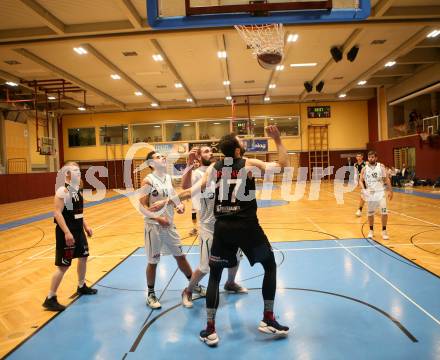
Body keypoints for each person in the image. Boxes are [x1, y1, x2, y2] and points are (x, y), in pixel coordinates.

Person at [163, 126, 290, 346]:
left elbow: (190, 191)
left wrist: (166, 201)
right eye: (241, 141)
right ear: (239, 150)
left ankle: (210, 329)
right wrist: (277, 140)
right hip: (247, 228)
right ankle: (268, 318)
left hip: (222, 229)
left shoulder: (214, 167)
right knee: (269, 266)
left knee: (214, 276)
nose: (243, 143)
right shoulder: (248, 164)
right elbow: (282, 166)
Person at [180, 145, 247, 308]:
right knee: (205, 267)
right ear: (199, 156)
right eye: (205, 151)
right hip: (209, 226)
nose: (210, 153)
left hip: (229, 222)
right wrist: (189, 164)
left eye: (211, 151)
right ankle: (188, 291)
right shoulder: (197, 173)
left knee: (236, 257)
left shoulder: (220, 169)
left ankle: (230, 283)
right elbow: (184, 187)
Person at [139, 151, 199, 309]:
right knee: (153, 261)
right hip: (154, 227)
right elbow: (142, 206)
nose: (162, 158)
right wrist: (158, 218)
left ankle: (194, 285)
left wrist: (180, 205)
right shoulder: (148, 180)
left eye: (162, 156)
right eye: (158, 157)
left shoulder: (167, 178)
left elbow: (175, 197)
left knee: (181, 256)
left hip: (170, 226)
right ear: (151, 164)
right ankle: (151, 294)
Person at [43, 162, 97, 312]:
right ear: (66, 174)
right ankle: (50, 298)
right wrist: (67, 232)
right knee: (63, 266)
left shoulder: (76, 189)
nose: (78, 172)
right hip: (67, 233)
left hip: (78, 231)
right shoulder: (63, 190)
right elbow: (57, 213)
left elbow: (78, 213)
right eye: (73, 170)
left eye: (78, 170)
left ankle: (81, 286)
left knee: (84, 257)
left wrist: (86, 226)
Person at [360, 151, 393, 240]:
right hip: (370, 194)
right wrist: (363, 189)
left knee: (384, 212)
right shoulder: (364, 169)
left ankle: (384, 231)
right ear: (368, 158)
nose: (371, 158)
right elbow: (360, 180)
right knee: (370, 214)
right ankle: (371, 231)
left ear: (376, 158)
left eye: (373, 157)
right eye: (370, 157)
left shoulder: (381, 167)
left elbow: (386, 179)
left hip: (380, 193)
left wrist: (390, 191)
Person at [189, 159, 201, 237]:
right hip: (194, 196)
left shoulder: (203, 172)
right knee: (193, 213)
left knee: (202, 213)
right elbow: (190, 185)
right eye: (194, 162)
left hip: (203, 195)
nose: (195, 163)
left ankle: (203, 228)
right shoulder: (191, 173)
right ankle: (195, 228)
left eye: (197, 162)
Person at [354, 153, 367, 217]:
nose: (358, 157)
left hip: (368, 181)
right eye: (357, 156)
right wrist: (356, 182)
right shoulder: (355, 164)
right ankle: (359, 210)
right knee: (362, 196)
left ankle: (382, 207)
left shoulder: (366, 163)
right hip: (362, 182)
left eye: (360, 156)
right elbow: (356, 173)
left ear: (362, 157)